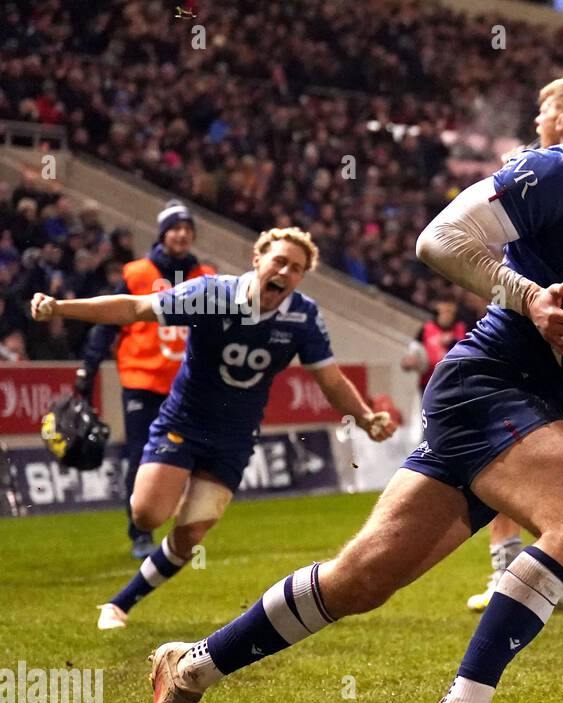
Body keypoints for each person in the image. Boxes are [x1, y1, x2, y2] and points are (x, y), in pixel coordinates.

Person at [127, 51, 563, 703]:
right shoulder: (560, 173)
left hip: (532, 405)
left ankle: (189, 668)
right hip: (487, 382)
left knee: (358, 580)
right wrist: (530, 297)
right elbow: (439, 240)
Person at [30, 227, 396, 632]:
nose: (285, 272)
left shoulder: (303, 316)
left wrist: (364, 417)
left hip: (234, 439)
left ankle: (119, 603)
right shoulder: (210, 294)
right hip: (183, 423)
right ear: (257, 260)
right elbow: (134, 309)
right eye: (279, 261)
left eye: (296, 268)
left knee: (190, 538)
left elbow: (330, 380)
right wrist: (60, 307)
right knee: (148, 514)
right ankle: (167, 492)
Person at [468, 75, 563, 614]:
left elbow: (476, 235)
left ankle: (512, 571)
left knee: (501, 452)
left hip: (527, 335)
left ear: (562, 115)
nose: (536, 120)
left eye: (543, 109)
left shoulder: (538, 170)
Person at [77, 200, 216, 557]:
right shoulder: (138, 273)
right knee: (142, 458)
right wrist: (87, 371)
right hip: (141, 381)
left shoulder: (206, 276)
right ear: (162, 233)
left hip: (188, 386)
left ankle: (184, 533)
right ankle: (139, 532)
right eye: (175, 228)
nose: (182, 234)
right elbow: (108, 321)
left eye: (188, 229)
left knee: (195, 459)